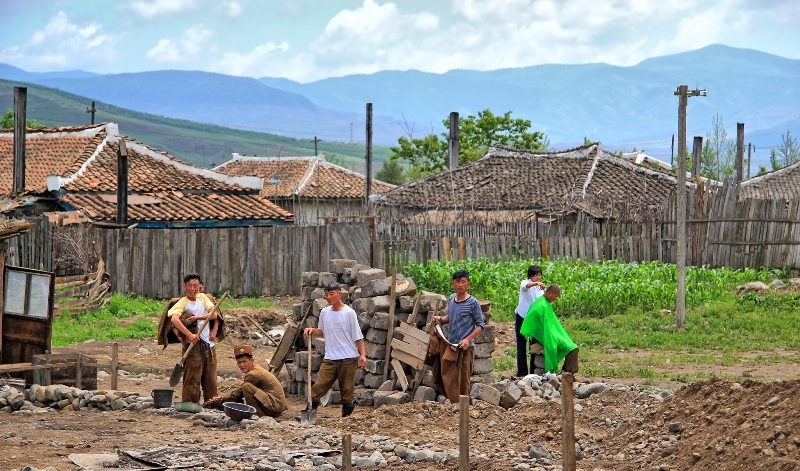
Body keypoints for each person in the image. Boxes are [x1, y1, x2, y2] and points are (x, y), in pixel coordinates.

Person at [303, 282, 367, 417]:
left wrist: (362, 355)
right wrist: (312, 330)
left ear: (340, 294)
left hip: (348, 357)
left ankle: (346, 418)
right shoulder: (324, 313)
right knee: (319, 386)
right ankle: (309, 413)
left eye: (332, 294)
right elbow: (322, 331)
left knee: (347, 390)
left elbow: (358, 336)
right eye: (326, 294)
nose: (328, 297)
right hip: (330, 357)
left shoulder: (349, 313)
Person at [431, 269, 486, 403]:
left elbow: (480, 325)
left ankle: (463, 409)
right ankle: (454, 404)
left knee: (463, 381)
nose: (460, 284)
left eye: (463, 282)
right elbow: (451, 317)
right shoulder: (451, 299)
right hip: (451, 346)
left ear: (468, 284)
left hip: (465, 349)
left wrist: (467, 339)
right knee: (449, 377)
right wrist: (441, 319)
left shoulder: (473, 303)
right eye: (457, 282)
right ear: (453, 284)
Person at [168, 273, 221, 403]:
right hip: (193, 346)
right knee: (192, 379)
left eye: (195, 286)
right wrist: (189, 334)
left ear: (199, 287)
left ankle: (211, 404)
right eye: (190, 286)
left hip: (209, 345)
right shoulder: (183, 302)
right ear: (185, 287)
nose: (193, 289)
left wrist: (199, 318)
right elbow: (174, 319)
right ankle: (190, 406)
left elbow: (214, 314)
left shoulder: (203, 298)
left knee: (210, 379)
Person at [204, 345, 288, 418]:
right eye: (239, 362)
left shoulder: (253, 374)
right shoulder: (255, 368)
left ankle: (257, 415)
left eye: (244, 361)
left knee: (246, 387)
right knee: (245, 387)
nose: (242, 365)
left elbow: (239, 392)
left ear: (251, 361)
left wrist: (221, 398)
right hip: (276, 406)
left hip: (275, 407)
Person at [520, 284, 579, 374]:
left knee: (573, 347)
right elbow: (533, 324)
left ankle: (567, 372)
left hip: (552, 334)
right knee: (571, 347)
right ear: (550, 293)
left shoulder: (545, 303)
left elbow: (551, 324)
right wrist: (545, 336)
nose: (555, 299)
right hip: (544, 337)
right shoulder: (540, 305)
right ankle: (567, 373)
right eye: (555, 296)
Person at [514, 265, 545, 377]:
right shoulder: (525, 283)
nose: (538, 277)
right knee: (521, 343)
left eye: (539, 275)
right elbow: (526, 286)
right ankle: (522, 371)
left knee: (534, 345)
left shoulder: (539, 289)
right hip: (522, 316)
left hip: (534, 319)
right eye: (536, 275)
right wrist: (536, 283)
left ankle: (533, 371)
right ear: (531, 275)